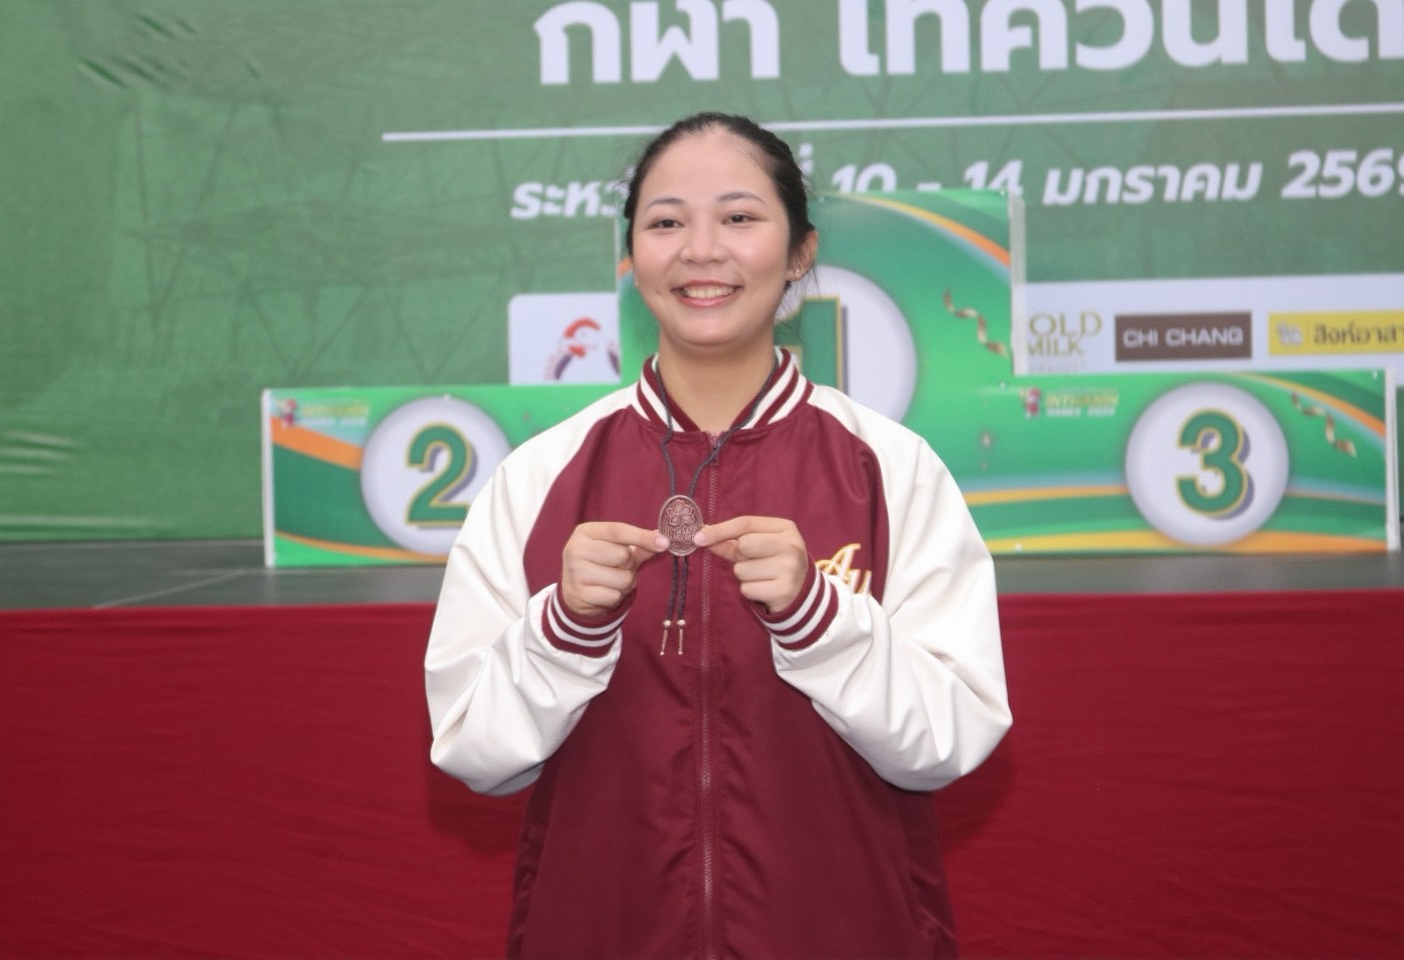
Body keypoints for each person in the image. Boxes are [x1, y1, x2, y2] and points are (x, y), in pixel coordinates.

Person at [424, 112, 1011, 959]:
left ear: (800, 251)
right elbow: (475, 753)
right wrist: (564, 628)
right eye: (666, 223)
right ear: (632, 256)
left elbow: (949, 742)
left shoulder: (893, 468)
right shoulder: (540, 476)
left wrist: (821, 618)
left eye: (739, 217)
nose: (701, 251)